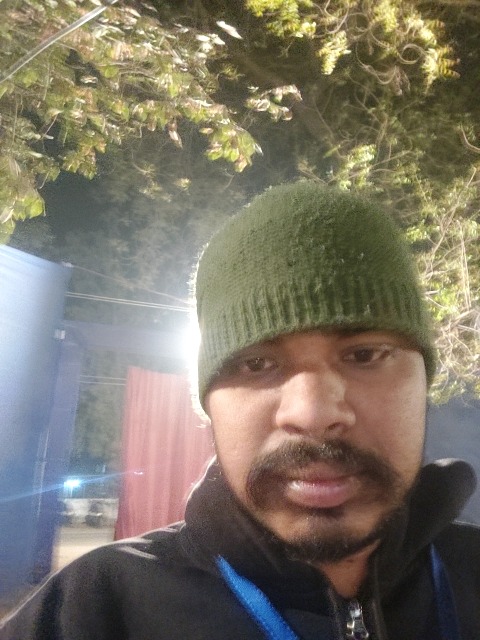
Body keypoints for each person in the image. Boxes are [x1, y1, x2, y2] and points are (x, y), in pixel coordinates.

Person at [1, 181, 479, 639]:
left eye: (365, 354)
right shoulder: (92, 611)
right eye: (256, 364)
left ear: (424, 381)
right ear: (208, 404)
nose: (311, 414)